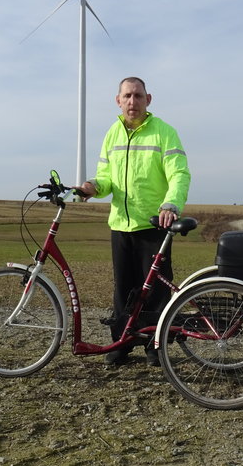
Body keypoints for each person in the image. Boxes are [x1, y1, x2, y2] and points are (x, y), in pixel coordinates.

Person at [78, 77, 191, 366]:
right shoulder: (112, 134)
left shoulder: (164, 132)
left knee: (156, 292)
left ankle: (155, 346)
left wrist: (171, 204)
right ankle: (122, 343)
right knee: (124, 290)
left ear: (148, 99)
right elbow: (106, 178)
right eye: (127, 96)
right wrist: (92, 187)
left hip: (155, 225)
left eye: (138, 96)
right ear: (118, 100)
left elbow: (179, 174)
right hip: (120, 225)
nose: (132, 101)